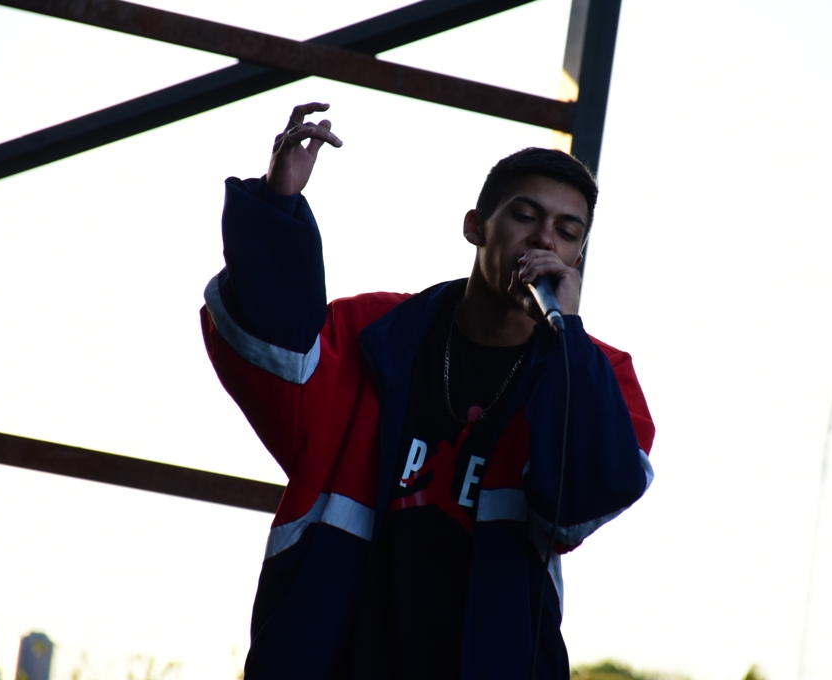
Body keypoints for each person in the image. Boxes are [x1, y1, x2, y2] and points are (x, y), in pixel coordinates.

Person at [200, 102, 655, 680]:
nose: (544, 239)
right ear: (475, 226)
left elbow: (578, 506)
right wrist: (276, 206)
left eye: (567, 232)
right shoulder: (373, 333)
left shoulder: (600, 375)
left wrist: (567, 340)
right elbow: (269, 357)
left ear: (577, 259)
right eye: (525, 215)